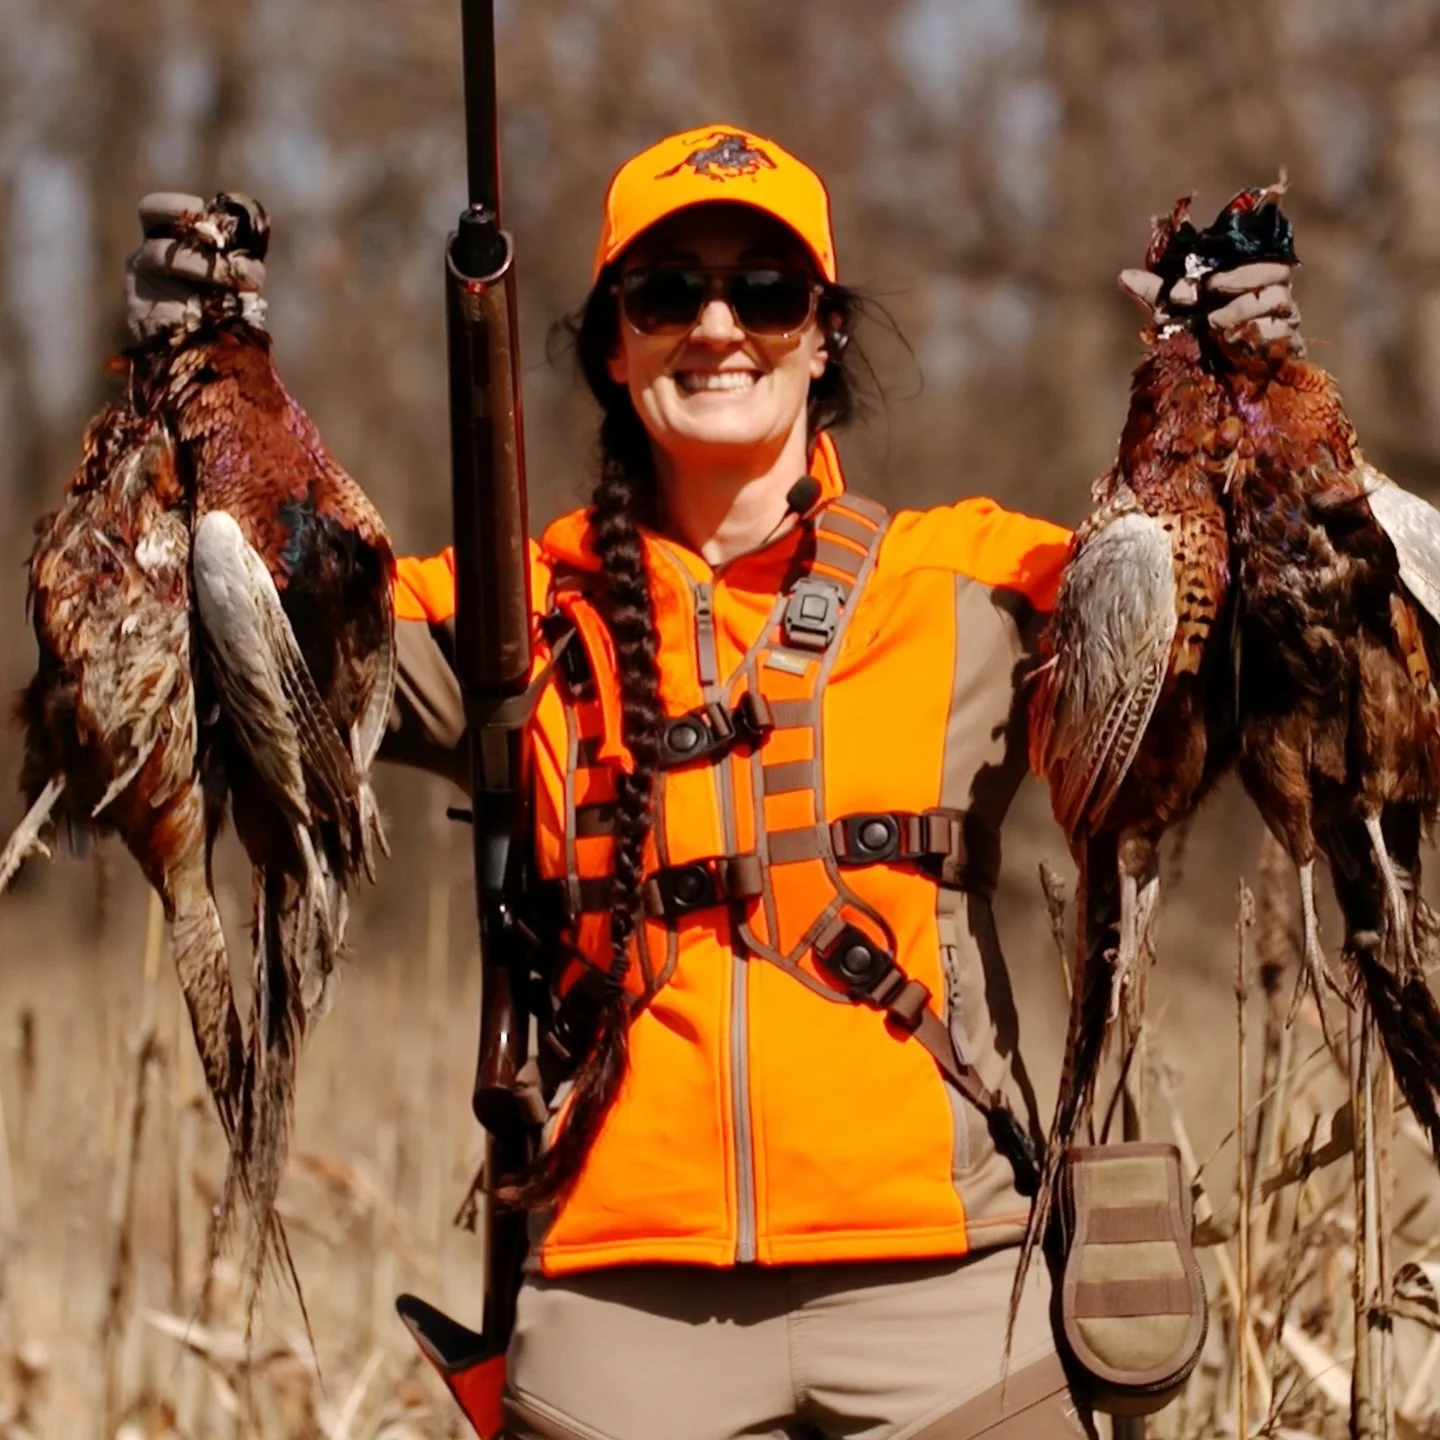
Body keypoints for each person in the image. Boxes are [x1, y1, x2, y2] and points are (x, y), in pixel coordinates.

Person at [127, 125, 1300, 1439]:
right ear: (613, 346)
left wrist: (1234, 390)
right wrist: (206, 387)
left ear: (823, 335)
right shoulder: (513, 614)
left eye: (767, 289)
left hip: (960, 1296)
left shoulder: (976, 581)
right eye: (668, 292)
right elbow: (233, 640)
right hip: (620, 1315)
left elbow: (1240, 648)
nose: (719, 326)